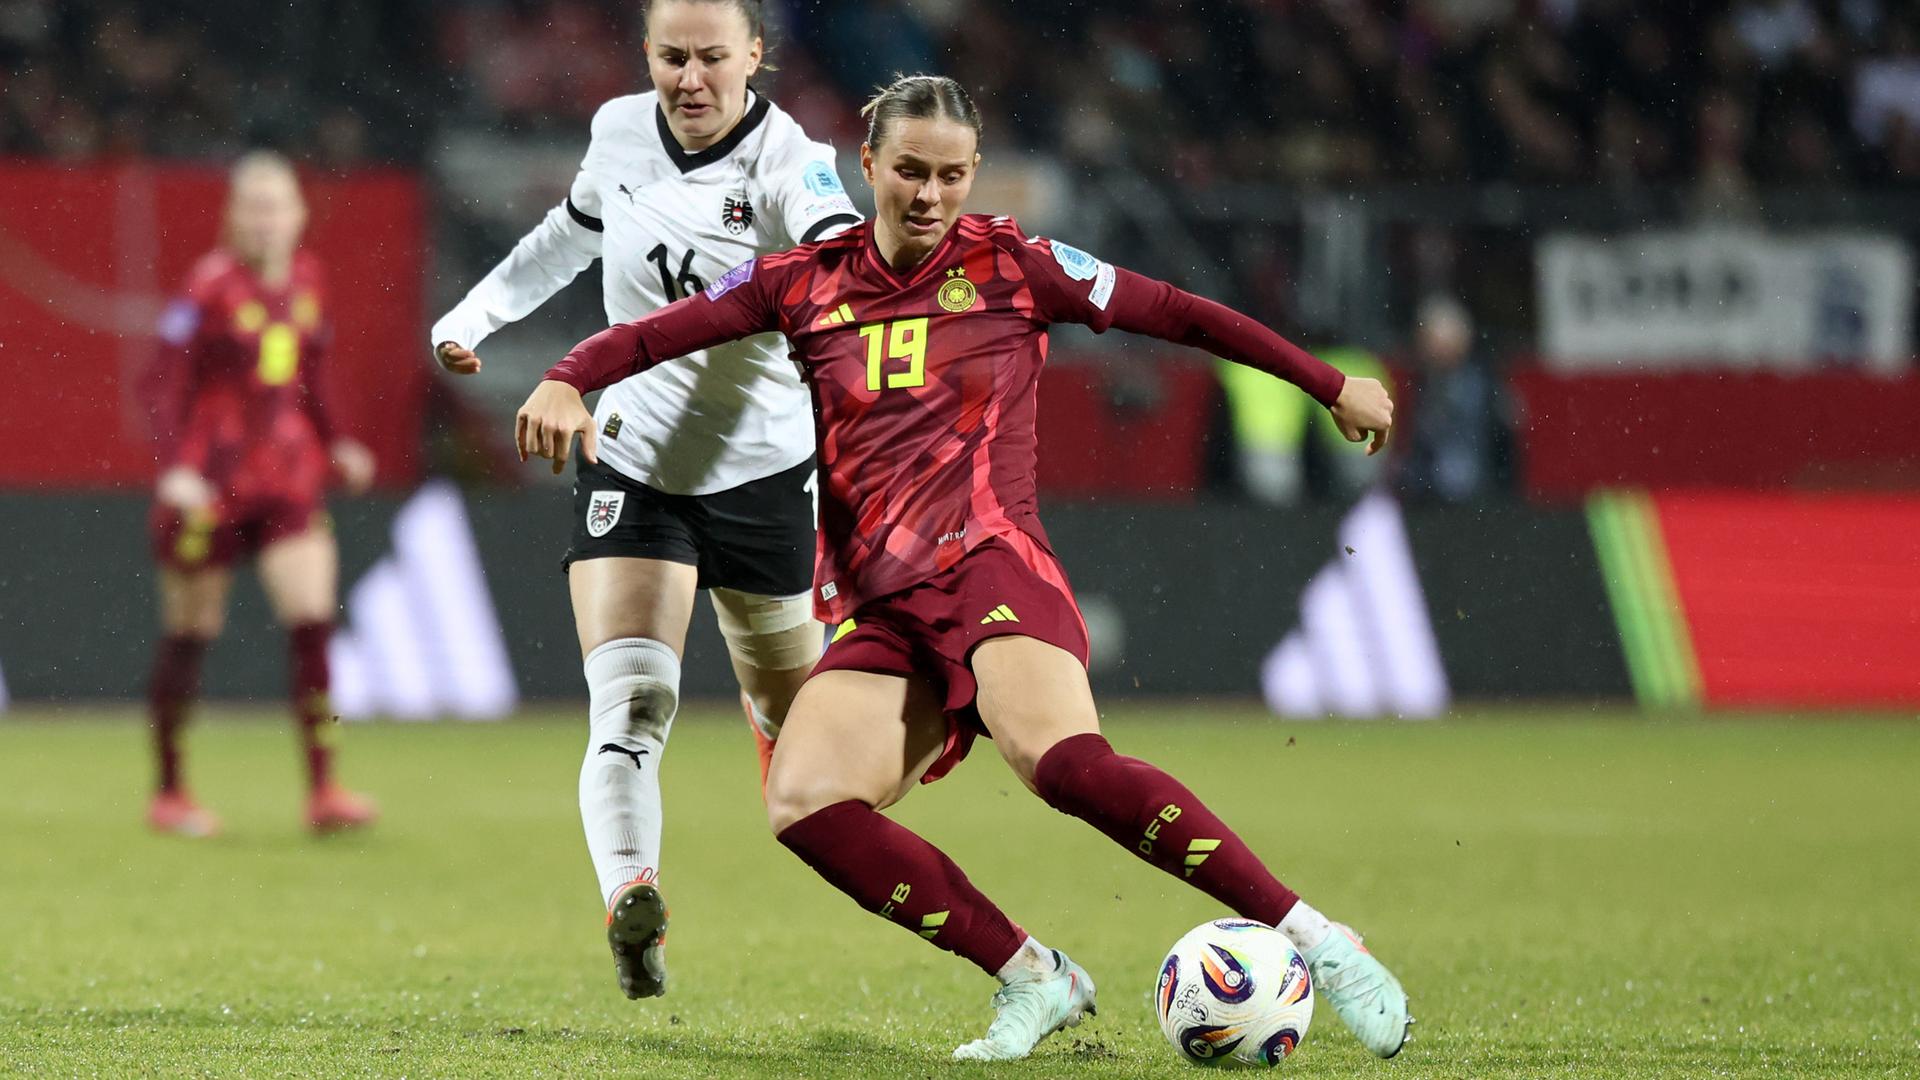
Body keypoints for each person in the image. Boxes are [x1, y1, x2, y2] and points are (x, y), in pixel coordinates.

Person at [516, 75, 1410, 1062]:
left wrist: (1328, 383)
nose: (929, 194)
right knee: (804, 802)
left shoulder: (1016, 265)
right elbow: (651, 333)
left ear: (974, 173)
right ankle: (1033, 977)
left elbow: (1183, 315)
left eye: (950, 174)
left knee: (1063, 764)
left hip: (990, 566)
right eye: (908, 171)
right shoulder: (800, 281)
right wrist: (566, 379)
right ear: (867, 168)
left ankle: (1319, 942)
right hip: (880, 609)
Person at [428, 0, 861, 1001]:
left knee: (804, 740)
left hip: (763, 480)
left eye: (715, 57)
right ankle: (633, 898)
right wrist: (476, 315)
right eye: (673, 57)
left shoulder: (794, 165)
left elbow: (846, 270)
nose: (692, 79)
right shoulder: (620, 132)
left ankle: (778, 725)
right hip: (635, 465)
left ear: (757, 55)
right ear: (646, 55)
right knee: (631, 705)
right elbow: (566, 236)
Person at [143, 151, 379, 838]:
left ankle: (325, 787)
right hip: (208, 483)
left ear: (299, 215)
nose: (267, 221)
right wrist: (173, 468)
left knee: (312, 619)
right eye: (254, 207)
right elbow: (161, 382)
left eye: (278, 206)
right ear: (233, 218)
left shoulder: (309, 278)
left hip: (286, 478)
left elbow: (314, 370)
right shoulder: (207, 288)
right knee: (191, 631)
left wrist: (337, 441)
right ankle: (170, 789)